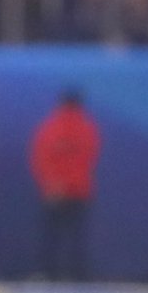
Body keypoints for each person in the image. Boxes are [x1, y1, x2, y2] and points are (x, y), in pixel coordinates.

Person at [29, 88, 101, 282]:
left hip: (55, 190)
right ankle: (78, 275)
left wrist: (52, 183)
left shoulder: (50, 127)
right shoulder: (86, 127)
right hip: (78, 190)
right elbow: (89, 157)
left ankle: (48, 273)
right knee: (76, 237)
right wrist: (72, 181)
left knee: (52, 236)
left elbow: (40, 157)